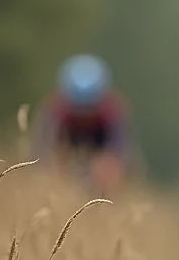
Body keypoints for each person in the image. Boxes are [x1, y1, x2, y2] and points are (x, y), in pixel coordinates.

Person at [38, 54, 133, 194]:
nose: (84, 115)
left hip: (100, 150)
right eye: (78, 107)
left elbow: (119, 153)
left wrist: (107, 171)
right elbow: (42, 152)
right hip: (66, 150)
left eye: (89, 107)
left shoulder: (112, 113)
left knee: (108, 175)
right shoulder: (56, 112)